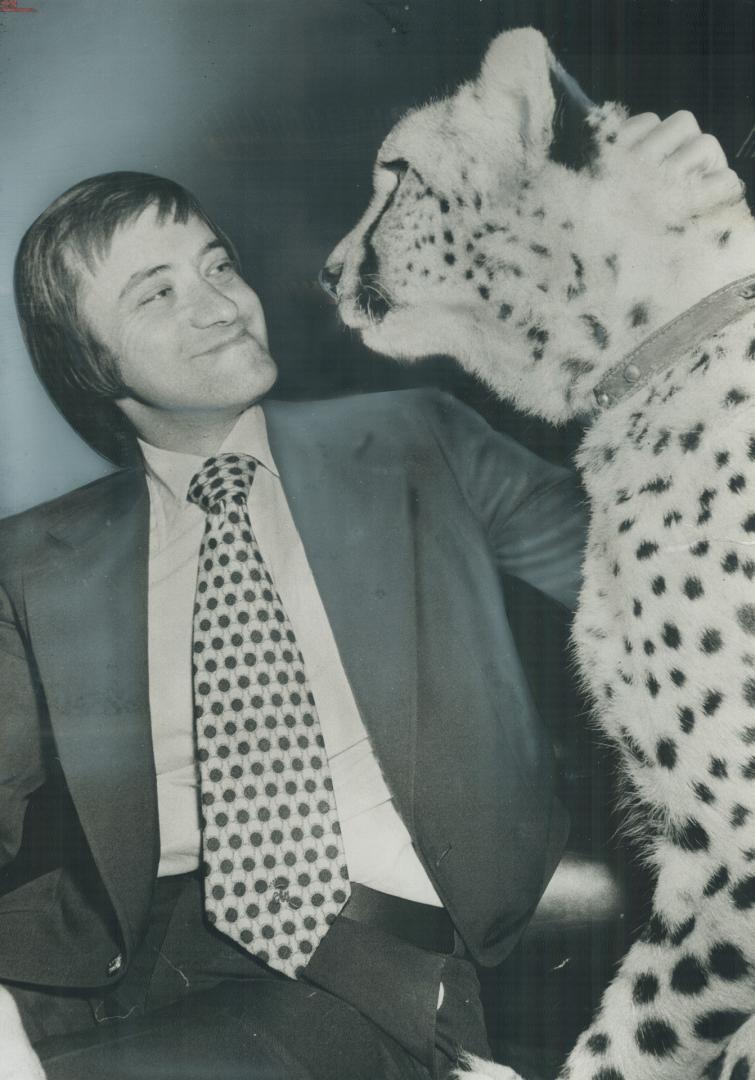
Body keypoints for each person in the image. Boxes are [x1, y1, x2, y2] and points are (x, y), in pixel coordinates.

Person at [0, 114, 733, 1080]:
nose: (221, 305)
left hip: (356, 970)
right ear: (93, 363)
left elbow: (689, 553)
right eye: (158, 295)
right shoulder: (36, 559)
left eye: (218, 267)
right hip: (86, 963)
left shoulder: (418, 441)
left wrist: (702, 257)